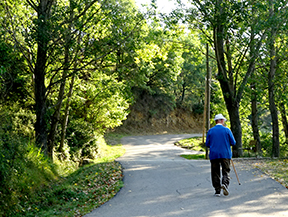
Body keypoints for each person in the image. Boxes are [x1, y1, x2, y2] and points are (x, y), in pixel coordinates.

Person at [206, 114, 236, 197]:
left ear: (216, 121)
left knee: (215, 172)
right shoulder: (227, 130)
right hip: (225, 154)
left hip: (214, 154)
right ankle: (225, 184)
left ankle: (217, 190)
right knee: (226, 171)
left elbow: (207, 144)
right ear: (222, 121)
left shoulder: (211, 131)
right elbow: (233, 142)